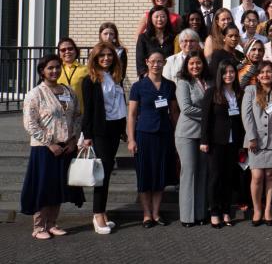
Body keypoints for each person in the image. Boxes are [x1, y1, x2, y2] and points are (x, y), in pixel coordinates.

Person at [21, 54, 84, 240]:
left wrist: (73, 139)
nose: (55, 71)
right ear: (42, 71)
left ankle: (52, 223)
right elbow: (30, 124)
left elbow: (77, 116)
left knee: (58, 187)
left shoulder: (68, 91)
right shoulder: (35, 94)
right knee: (43, 187)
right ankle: (39, 226)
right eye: (50, 68)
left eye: (57, 67)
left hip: (66, 147)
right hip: (44, 149)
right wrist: (50, 143)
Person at [127, 51, 179, 227]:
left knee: (160, 175)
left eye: (159, 61)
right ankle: (146, 214)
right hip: (144, 134)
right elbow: (132, 115)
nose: (156, 64)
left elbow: (174, 113)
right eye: (153, 61)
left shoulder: (170, 86)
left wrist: (177, 135)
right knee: (145, 175)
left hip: (164, 134)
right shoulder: (138, 86)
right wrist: (131, 139)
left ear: (164, 63)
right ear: (147, 62)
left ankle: (156, 213)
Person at [81, 43, 127, 233]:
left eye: (109, 55)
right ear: (95, 58)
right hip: (100, 130)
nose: (106, 58)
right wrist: (88, 135)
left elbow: (119, 104)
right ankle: (97, 213)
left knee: (107, 170)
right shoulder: (90, 80)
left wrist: (124, 129)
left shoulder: (116, 78)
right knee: (103, 171)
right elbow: (88, 110)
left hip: (115, 129)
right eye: (102, 55)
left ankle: (102, 211)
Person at [199, 60, 245, 228]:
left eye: (232, 72)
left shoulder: (239, 93)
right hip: (216, 141)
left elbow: (241, 120)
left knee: (228, 177)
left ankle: (226, 211)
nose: (229, 75)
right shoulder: (212, 92)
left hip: (233, 142)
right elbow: (205, 119)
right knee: (215, 177)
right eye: (225, 72)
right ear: (220, 74)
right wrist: (204, 140)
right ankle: (214, 212)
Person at [241, 60, 272, 226]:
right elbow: (247, 116)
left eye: (269, 72)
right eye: (262, 72)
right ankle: (257, 208)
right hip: (255, 141)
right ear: (257, 76)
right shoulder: (250, 90)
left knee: (270, 176)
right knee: (257, 176)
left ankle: (268, 209)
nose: (265, 75)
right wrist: (251, 137)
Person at [175, 50, 210, 227]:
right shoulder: (183, 82)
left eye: (198, 63)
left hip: (204, 135)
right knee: (188, 173)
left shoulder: (208, 82)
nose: (195, 66)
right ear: (186, 66)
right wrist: (210, 115)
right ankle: (187, 217)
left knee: (203, 173)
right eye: (191, 64)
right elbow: (186, 109)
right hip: (187, 134)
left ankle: (201, 213)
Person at [136, 5, 176, 77]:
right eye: (156, 17)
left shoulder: (174, 37)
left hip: (170, 77)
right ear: (151, 19)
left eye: (163, 16)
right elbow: (140, 61)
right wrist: (147, 76)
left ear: (167, 18)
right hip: (149, 78)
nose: (159, 19)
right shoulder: (143, 38)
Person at [55, 37, 87, 114]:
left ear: (76, 51)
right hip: (59, 114)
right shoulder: (55, 70)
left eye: (70, 49)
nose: (67, 52)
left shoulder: (86, 70)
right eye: (63, 50)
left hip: (79, 114)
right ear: (59, 54)